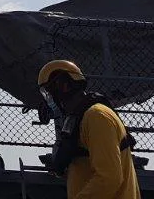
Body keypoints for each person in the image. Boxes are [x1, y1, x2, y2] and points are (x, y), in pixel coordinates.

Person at [37, 60, 141, 199]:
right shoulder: (82, 119)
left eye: (49, 93)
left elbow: (109, 178)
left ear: (64, 86)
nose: (49, 101)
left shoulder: (97, 117)